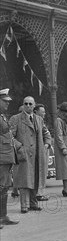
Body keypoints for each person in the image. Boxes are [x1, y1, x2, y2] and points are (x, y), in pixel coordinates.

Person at [9, 96, 52, 213]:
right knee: (24, 181)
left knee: (35, 179)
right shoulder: (15, 119)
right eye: (25, 104)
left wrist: (47, 144)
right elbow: (9, 136)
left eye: (30, 104)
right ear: (23, 105)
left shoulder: (39, 119)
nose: (27, 106)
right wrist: (20, 147)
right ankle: (24, 206)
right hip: (24, 155)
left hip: (37, 155)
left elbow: (46, 133)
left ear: (34, 105)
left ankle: (33, 204)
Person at [0, 89, 19, 228]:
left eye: (8, 102)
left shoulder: (2, 116)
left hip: (6, 157)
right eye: (4, 101)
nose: (7, 104)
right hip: (1, 157)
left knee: (4, 187)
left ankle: (3, 216)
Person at [33, 103, 51, 201]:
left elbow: (46, 133)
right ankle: (36, 194)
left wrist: (47, 144)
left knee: (42, 172)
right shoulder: (30, 120)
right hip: (32, 152)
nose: (44, 113)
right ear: (36, 112)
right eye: (42, 112)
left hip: (41, 151)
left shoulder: (41, 122)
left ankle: (40, 193)